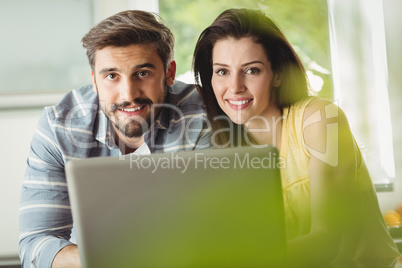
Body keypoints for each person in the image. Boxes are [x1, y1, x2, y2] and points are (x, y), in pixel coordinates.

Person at [193, 8, 399, 266]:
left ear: (277, 74)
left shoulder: (321, 119)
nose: (235, 87)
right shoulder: (224, 151)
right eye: (222, 71)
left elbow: (328, 240)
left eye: (252, 70)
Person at [19, 10, 210, 268]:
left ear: (169, 73)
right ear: (94, 81)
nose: (128, 94)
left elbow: (212, 230)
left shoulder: (202, 115)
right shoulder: (58, 127)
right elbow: (36, 244)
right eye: (111, 76)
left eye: (142, 73)